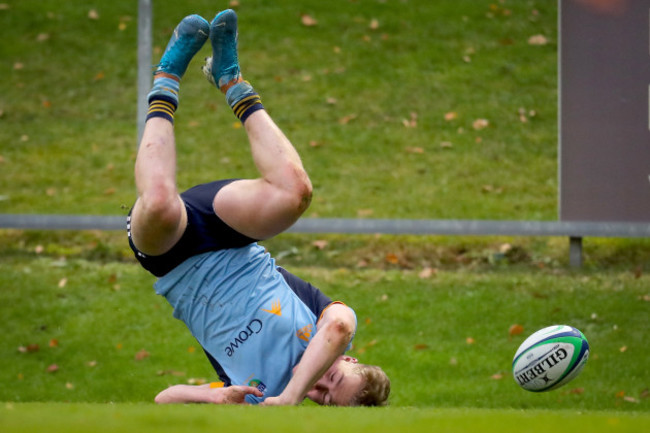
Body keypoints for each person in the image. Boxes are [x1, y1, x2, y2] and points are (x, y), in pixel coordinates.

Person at [127, 10, 390, 406]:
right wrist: (290, 397)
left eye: (325, 398)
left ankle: (165, 80)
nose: (320, 386)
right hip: (228, 236)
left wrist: (217, 397)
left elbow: (165, 399)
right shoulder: (327, 328)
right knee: (296, 193)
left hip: (172, 258)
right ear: (347, 357)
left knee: (161, 202)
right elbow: (340, 324)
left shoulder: (254, 395)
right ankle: (231, 80)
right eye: (334, 376)